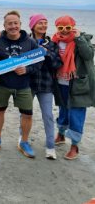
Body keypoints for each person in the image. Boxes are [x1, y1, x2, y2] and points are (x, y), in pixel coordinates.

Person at [0, 10, 41, 158]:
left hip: (23, 85)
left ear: (20, 24)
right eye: (9, 23)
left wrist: (27, 69)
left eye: (15, 23)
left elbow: (39, 63)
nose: (13, 26)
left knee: (27, 115)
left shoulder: (30, 42)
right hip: (3, 85)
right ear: (4, 26)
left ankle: (24, 142)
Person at [52, 15, 95, 160]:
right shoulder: (55, 40)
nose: (64, 31)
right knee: (63, 110)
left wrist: (78, 38)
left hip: (77, 84)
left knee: (76, 115)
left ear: (73, 27)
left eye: (68, 28)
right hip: (60, 83)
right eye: (61, 28)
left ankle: (74, 146)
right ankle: (61, 134)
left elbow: (88, 55)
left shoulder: (82, 40)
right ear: (57, 28)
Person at [28, 14, 62, 159]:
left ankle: (50, 146)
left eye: (45, 23)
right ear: (33, 26)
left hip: (46, 85)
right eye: (40, 23)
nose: (43, 25)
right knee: (25, 114)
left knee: (48, 116)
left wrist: (46, 53)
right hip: (28, 84)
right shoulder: (26, 41)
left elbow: (57, 64)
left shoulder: (52, 44)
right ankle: (22, 139)